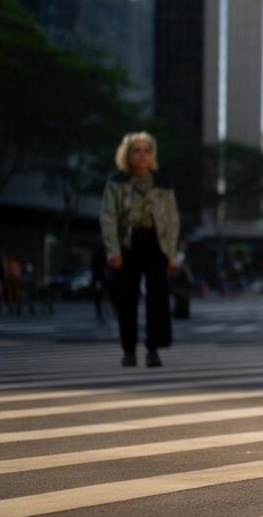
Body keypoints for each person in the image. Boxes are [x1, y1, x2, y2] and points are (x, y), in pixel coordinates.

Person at [100, 132, 180, 368]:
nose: (142, 155)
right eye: (136, 150)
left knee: (157, 298)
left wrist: (172, 254)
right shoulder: (116, 181)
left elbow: (172, 220)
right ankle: (128, 349)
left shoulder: (162, 183)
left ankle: (153, 349)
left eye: (147, 150)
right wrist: (112, 250)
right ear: (127, 154)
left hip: (157, 243)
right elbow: (108, 217)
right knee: (127, 297)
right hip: (128, 242)